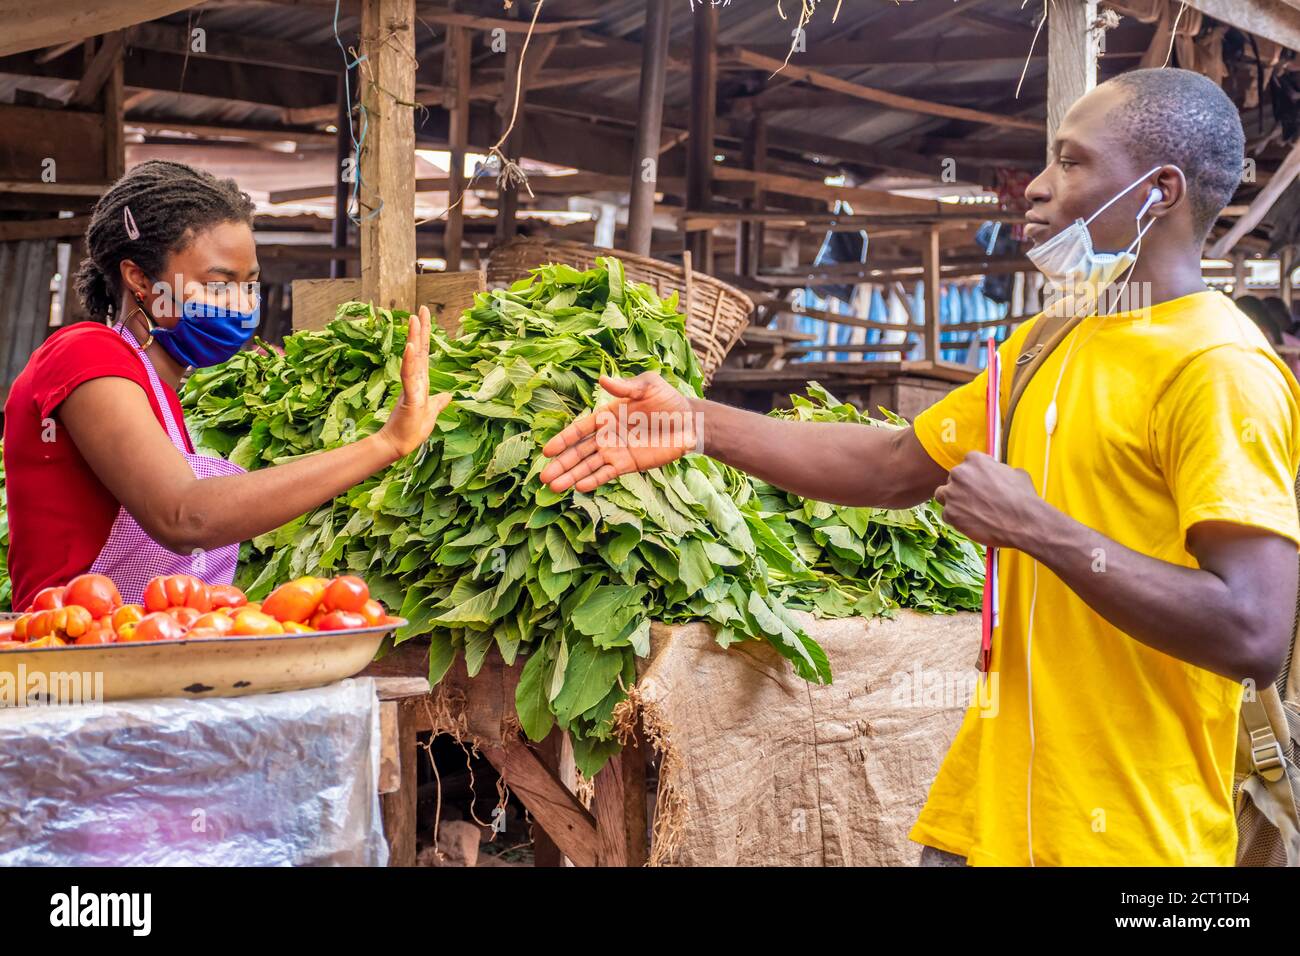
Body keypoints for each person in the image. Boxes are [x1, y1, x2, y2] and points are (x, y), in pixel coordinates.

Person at [538, 68, 1300, 866]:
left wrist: (1039, 530)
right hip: (990, 814)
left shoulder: (1218, 367)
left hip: (1133, 835)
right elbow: (898, 463)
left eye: (1071, 163)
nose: (1037, 189)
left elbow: (1252, 630)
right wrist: (694, 421)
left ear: (1160, 190)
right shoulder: (1054, 338)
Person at [3, 160, 451, 610]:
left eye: (250, 284)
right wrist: (386, 443)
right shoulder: (84, 353)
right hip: (69, 656)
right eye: (218, 284)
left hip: (151, 649)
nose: (240, 304)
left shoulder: (159, 390)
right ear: (140, 279)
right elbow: (185, 516)